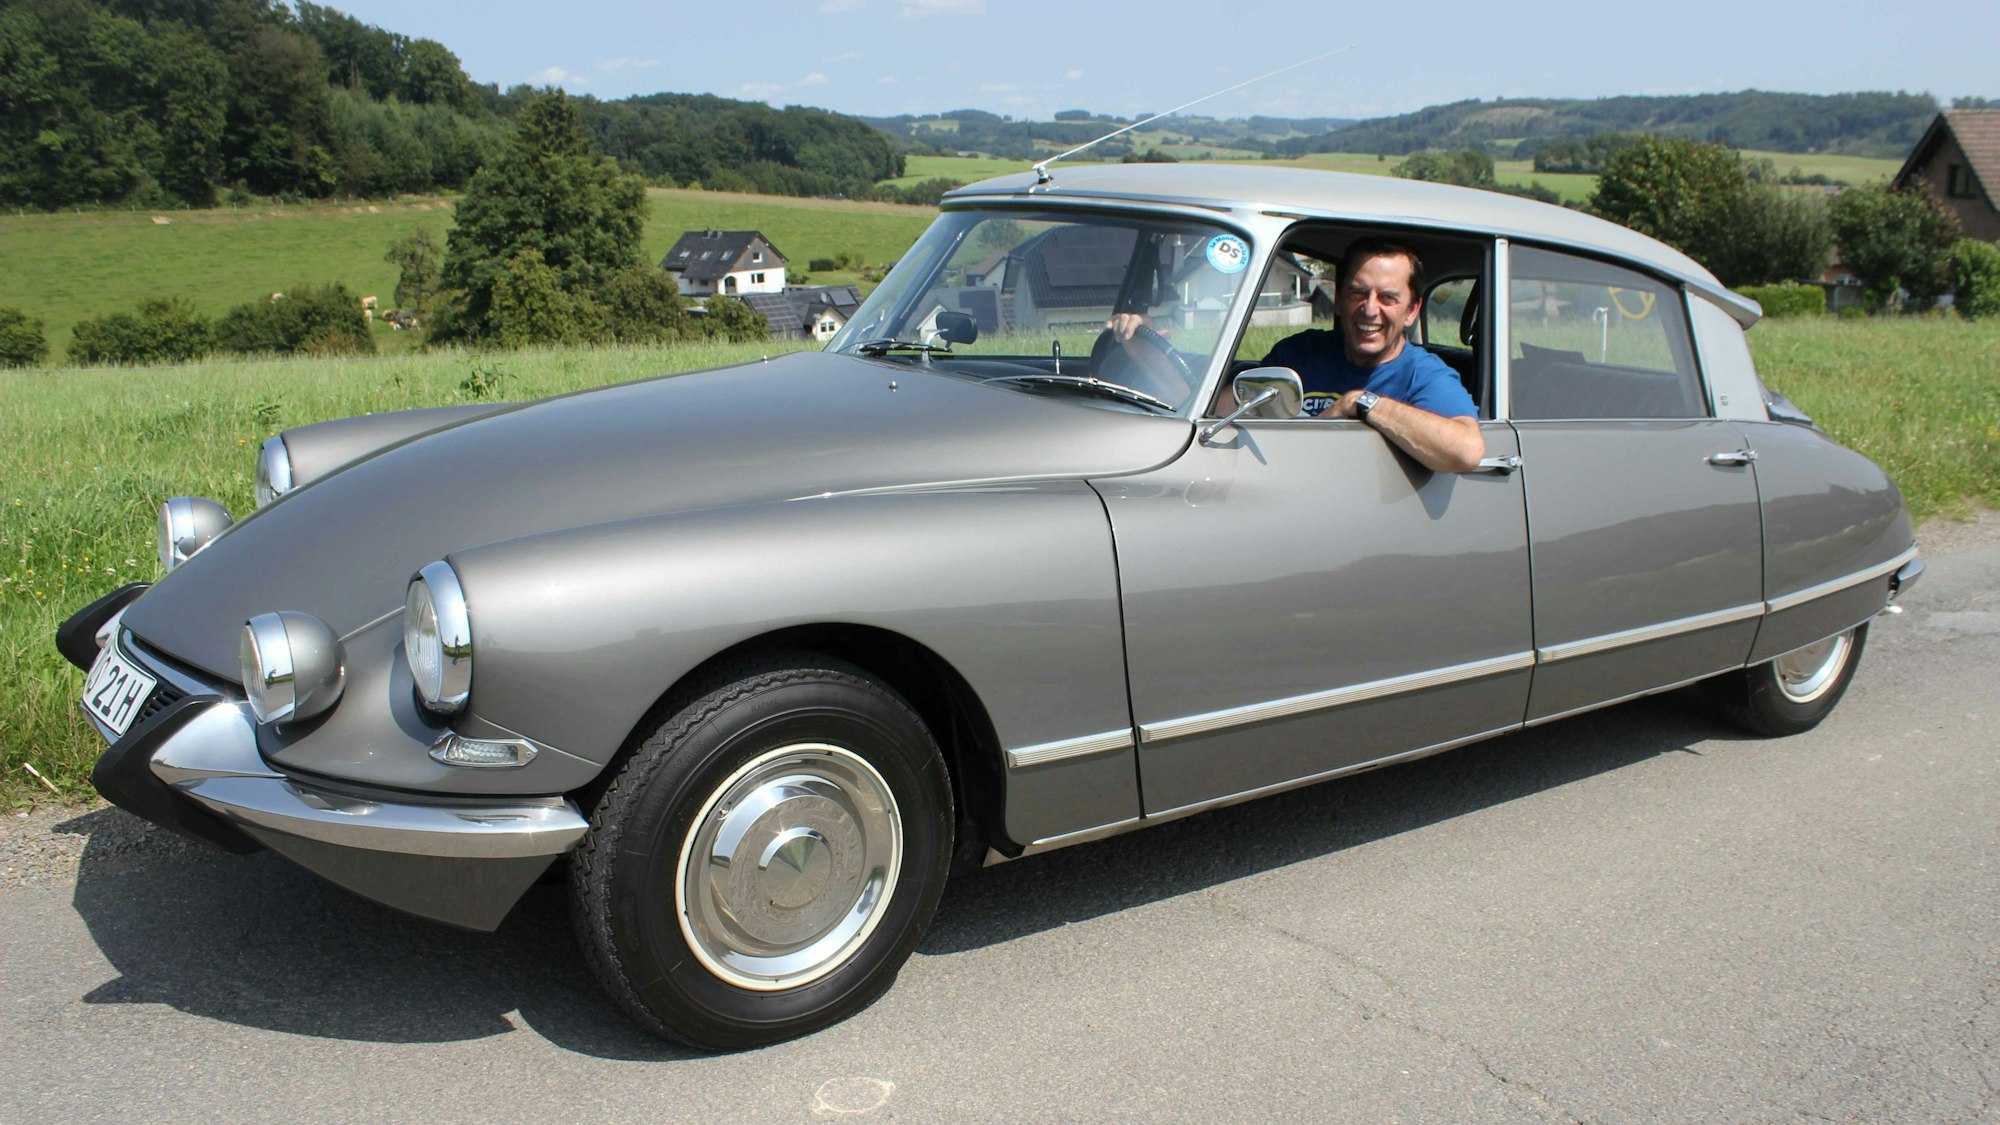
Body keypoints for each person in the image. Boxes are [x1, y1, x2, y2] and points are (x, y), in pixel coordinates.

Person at [1108, 237, 1485, 474]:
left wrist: (1362, 402)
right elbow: (1214, 408)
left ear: (1413, 310)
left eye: (1388, 298)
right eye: (1358, 293)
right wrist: (1140, 344)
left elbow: (1467, 451)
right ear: (1337, 298)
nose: (1370, 310)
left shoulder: (1424, 375)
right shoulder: (1301, 352)